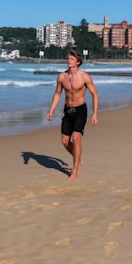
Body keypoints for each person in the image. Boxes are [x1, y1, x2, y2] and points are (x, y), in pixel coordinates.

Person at [45, 51, 99, 181]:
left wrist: (95, 113)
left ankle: (74, 172)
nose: (68, 60)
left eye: (71, 58)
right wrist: (51, 110)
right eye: (68, 58)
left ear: (78, 62)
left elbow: (94, 94)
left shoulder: (84, 77)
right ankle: (77, 157)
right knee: (64, 141)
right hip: (68, 110)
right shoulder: (62, 77)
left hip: (81, 110)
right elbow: (58, 94)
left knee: (76, 138)